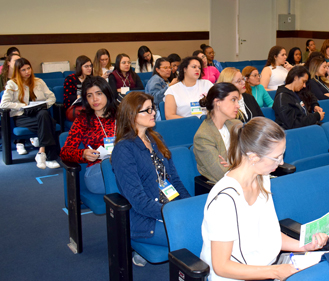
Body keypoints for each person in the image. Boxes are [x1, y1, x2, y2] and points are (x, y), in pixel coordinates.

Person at [200, 117, 329, 281]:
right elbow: (222, 267)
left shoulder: (262, 179)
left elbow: (269, 235)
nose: (281, 162)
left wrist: (304, 245)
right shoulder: (225, 200)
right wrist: (275, 272)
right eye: (277, 157)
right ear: (253, 157)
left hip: (265, 269)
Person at [111, 91, 191, 266]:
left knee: (205, 224)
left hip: (170, 207)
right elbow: (138, 201)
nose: (153, 113)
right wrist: (172, 213)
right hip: (145, 218)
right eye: (147, 110)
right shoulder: (124, 149)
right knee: (196, 235)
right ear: (131, 114)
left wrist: (188, 206)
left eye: (153, 109)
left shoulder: (156, 139)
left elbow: (175, 181)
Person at [60, 76, 118, 194]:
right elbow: (65, 152)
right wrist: (83, 153)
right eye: (89, 95)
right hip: (97, 172)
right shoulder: (83, 119)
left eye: (98, 93)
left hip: (122, 166)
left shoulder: (121, 115)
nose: (94, 99)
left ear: (107, 94)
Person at [0, 58, 60, 169]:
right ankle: (50, 157)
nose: (27, 72)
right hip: (22, 117)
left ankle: (42, 152)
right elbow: (3, 104)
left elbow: (52, 97)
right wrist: (22, 106)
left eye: (28, 68)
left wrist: (42, 105)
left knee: (43, 114)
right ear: (18, 71)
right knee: (49, 122)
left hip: (39, 114)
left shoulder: (39, 82)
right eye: (23, 70)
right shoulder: (12, 84)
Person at [193, 83, 243, 183]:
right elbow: (223, 175)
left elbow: (254, 156)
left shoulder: (237, 125)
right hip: (224, 190)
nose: (238, 105)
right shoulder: (203, 137)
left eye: (238, 101)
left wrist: (232, 167)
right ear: (218, 102)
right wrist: (240, 165)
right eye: (233, 100)